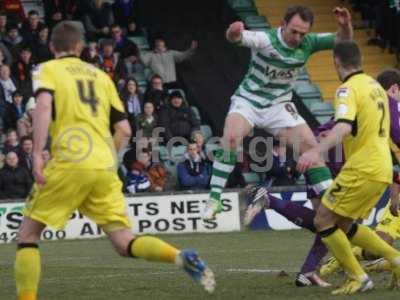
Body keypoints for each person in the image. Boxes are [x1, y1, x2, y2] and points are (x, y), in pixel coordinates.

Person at [14, 21, 215, 300]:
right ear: (80, 47)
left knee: (28, 235)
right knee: (124, 242)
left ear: (52, 47)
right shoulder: (101, 77)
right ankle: (179, 256)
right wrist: (109, 159)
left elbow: (44, 107)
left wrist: (36, 154)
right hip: (103, 167)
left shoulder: (47, 70)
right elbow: (125, 130)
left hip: (68, 163)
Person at [202, 5, 353, 221]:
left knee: (312, 151)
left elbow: (342, 40)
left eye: (303, 33)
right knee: (232, 138)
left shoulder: (309, 44)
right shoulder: (266, 40)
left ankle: (332, 204)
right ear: (282, 24)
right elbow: (235, 38)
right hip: (249, 101)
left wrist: (346, 26)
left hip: (279, 106)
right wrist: (233, 32)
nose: (298, 37)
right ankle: (214, 199)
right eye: (294, 31)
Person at [295, 41, 400, 294]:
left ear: (335, 62)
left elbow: (341, 126)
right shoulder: (375, 88)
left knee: (323, 220)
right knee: (342, 223)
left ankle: (358, 276)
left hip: (361, 168)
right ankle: (395, 260)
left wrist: (315, 151)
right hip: (382, 169)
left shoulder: (347, 90)